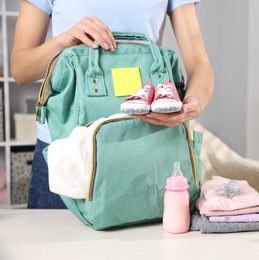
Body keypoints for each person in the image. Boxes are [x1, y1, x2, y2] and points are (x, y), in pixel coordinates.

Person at [10, 0, 214, 209]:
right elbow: (20, 70)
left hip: (145, 145)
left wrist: (191, 105)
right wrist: (64, 41)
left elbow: (199, 64)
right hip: (68, 149)